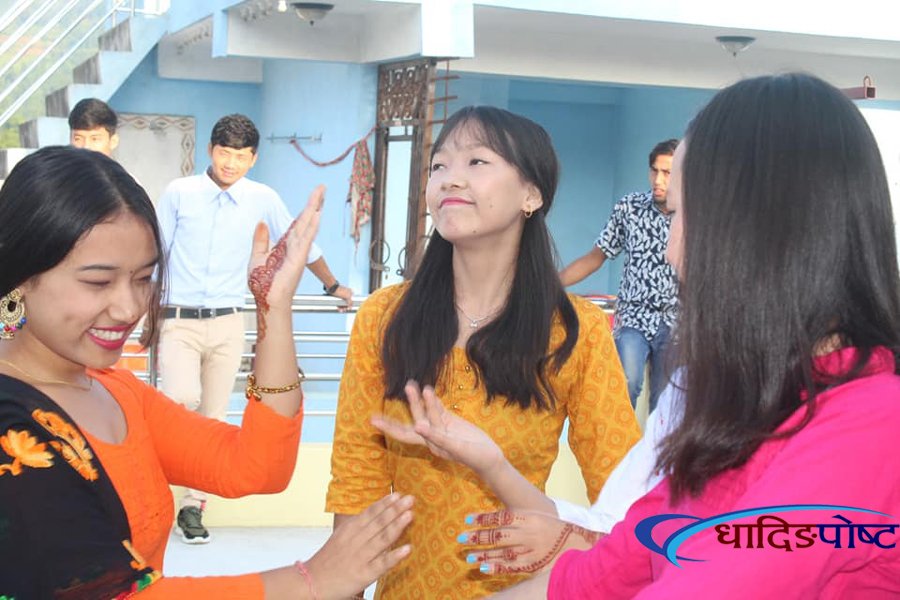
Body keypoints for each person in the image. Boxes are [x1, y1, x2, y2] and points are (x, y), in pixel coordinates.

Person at [394, 73, 900, 598]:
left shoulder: (867, 431)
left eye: (679, 215)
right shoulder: (733, 409)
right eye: (439, 166)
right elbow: (604, 569)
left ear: (759, 231)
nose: (670, 252)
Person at [0, 146, 414, 598]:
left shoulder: (113, 390)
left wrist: (273, 309)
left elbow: (255, 467)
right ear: (20, 274)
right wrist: (312, 580)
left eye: (143, 279)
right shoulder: (10, 420)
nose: (128, 308)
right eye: (98, 282)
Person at [326, 105, 641, 599]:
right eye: (439, 165)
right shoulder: (385, 317)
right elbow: (356, 481)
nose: (450, 179)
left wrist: (576, 544)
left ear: (532, 194)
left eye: (476, 161)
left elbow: (624, 498)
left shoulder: (574, 331)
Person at [156, 113, 354, 543]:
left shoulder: (262, 198)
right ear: (210, 150)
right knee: (178, 400)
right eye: (224, 153)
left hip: (229, 321)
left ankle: (192, 507)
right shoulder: (179, 193)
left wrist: (332, 284)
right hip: (178, 319)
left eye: (241, 156)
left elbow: (301, 243)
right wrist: (141, 313)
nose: (231, 163)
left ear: (253, 159)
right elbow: (156, 252)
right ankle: (153, 491)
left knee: (213, 416)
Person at [560, 139, 679, 413]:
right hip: (633, 317)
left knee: (665, 401)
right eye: (654, 171)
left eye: (667, 173)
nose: (658, 180)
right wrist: (551, 284)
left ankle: (658, 443)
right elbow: (596, 256)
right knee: (626, 383)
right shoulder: (630, 208)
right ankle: (618, 441)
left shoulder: (695, 214)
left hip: (676, 320)